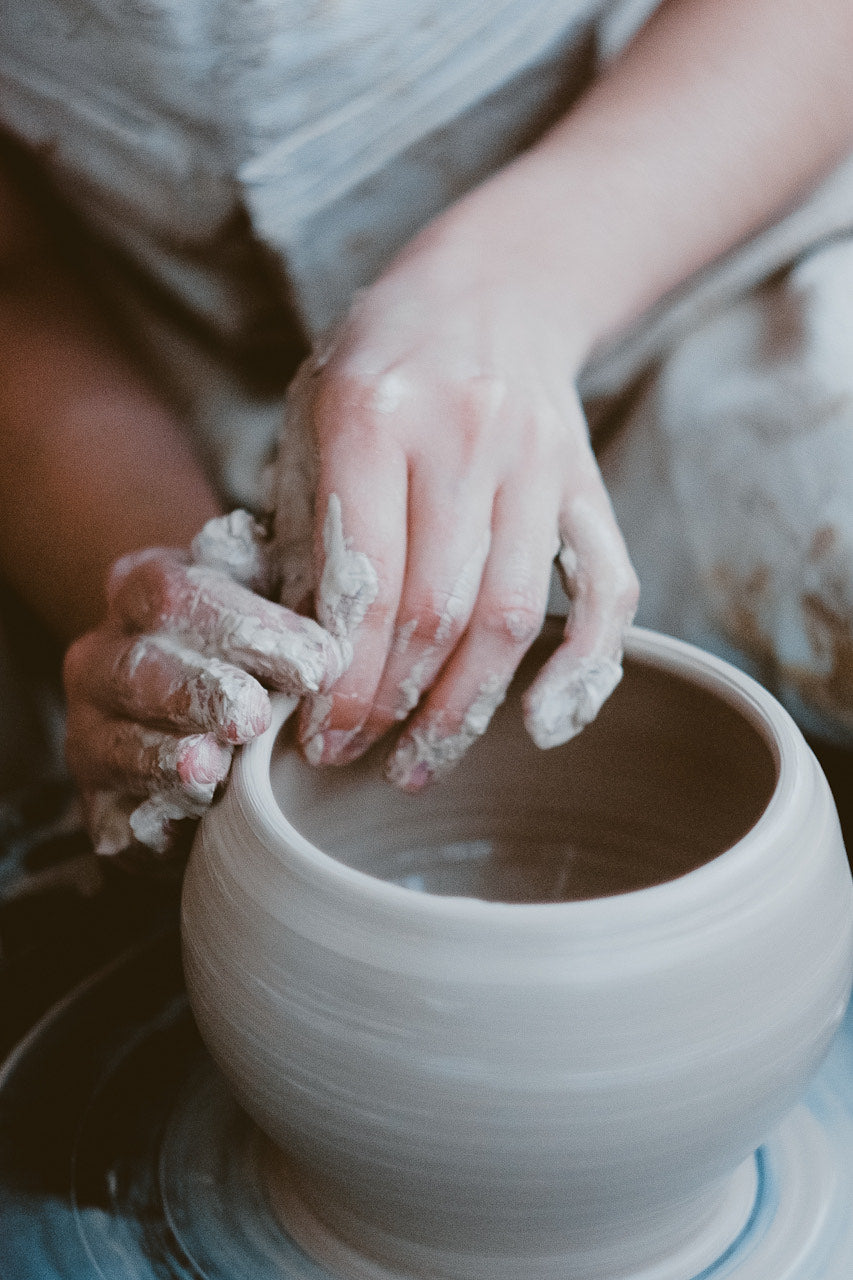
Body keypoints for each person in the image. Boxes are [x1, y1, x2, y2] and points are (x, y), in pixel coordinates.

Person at [2, 0, 853, 859]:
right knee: (171, 789)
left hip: (697, 203)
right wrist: (163, 599)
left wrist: (505, 283)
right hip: (176, 365)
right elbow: (15, 271)